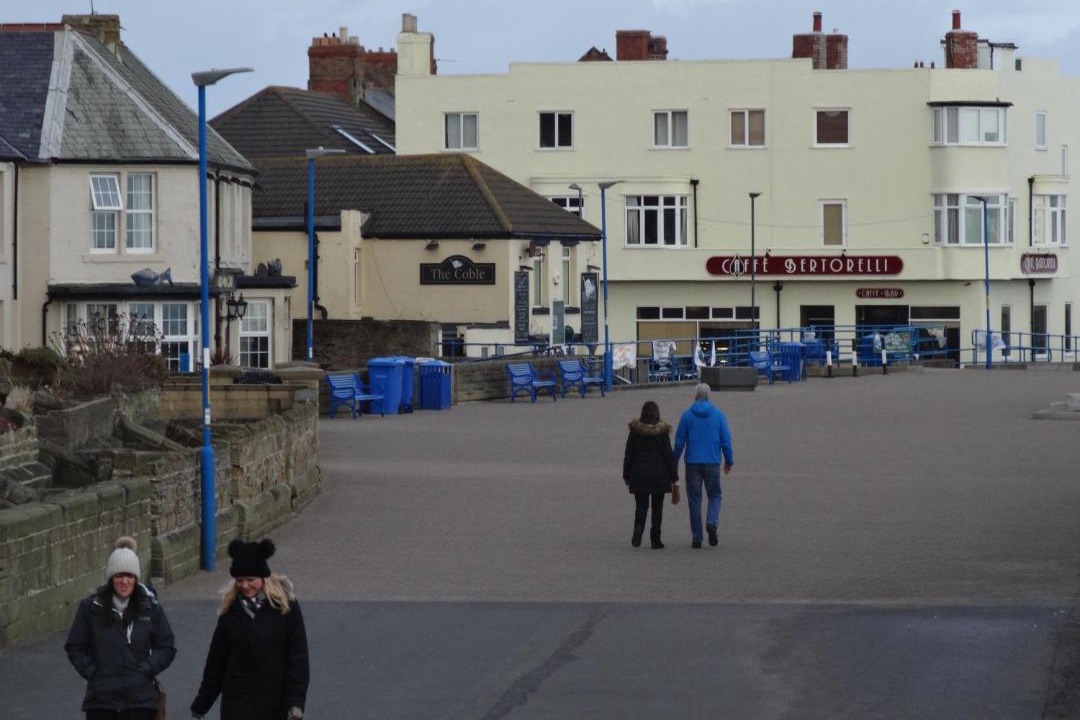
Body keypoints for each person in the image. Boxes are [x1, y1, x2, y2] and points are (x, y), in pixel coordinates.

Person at [191, 538, 310, 720]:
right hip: (237, 706)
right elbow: (216, 663)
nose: (244, 585)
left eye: (250, 579)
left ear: (262, 577)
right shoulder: (230, 611)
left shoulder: (286, 607)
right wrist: (202, 703)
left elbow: (297, 659)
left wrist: (296, 703)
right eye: (239, 580)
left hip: (275, 705)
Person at [65, 536, 176, 720]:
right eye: (119, 576)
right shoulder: (90, 608)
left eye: (130, 576)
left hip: (139, 702)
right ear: (111, 578)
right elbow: (75, 646)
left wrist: (147, 668)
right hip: (101, 702)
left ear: (136, 578)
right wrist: (92, 672)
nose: (125, 581)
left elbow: (166, 647)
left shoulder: (150, 607)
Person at [673, 383, 735, 549]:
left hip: (692, 462)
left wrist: (673, 463)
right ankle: (712, 522)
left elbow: (679, 442)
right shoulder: (719, 415)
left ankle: (696, 537)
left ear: (695, 395)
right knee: (715, 495)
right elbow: (726, 441)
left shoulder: (687, 415)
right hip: (712, 461)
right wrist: (729, 461)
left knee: (694, 499)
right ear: (709, 395)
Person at [622, 400, 679, 549]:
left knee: (641, 506)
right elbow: (668, 456)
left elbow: (629, 454)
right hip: (659, 475)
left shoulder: (635, 431)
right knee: (657, 507)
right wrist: (674, 478)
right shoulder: (662, 432)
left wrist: (626, 475)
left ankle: (639, 527)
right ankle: (655, 539)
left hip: (638, 474)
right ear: (657, 413)